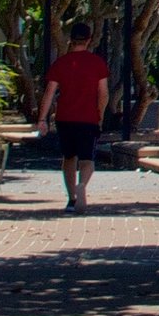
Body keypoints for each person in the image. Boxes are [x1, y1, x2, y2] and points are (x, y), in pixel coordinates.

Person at [37, 22, 111, 213]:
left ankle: (71, 199)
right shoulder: (97, 63)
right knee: (87, 159)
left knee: (69, 158)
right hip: (89, 118)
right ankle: (83, 185)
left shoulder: (61, 63)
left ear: (71, 40)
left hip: (65, 117)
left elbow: (49, 93)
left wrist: (42, 119)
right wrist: (100, 114)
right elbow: (103, 93)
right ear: (88, 40)